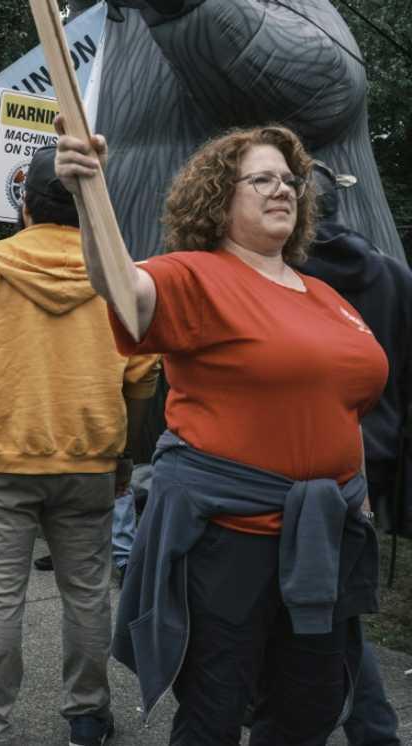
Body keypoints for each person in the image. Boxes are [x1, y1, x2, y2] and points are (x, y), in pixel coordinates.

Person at [55, 124, 386, 743]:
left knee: (309, 708)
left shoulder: (323, 295)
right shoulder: (193, 275)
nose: (282, 189)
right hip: (227, 541)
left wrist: (358, 490)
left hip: (321, 538)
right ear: (218, 196)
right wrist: (88, 192)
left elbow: (346, 402)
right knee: (214, 710)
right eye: (261, 179)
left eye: (290, 180)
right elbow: (122, 290)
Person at [0, 147, 160, 746]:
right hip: (90, 459)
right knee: (87, 595)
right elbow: (144, 375)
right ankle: (88, 717)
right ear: (88, 209)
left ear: (24, 207)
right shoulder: (119, 274)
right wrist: (123, 451)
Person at [297, 163, 406, 746]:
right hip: (378, 448)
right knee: (335, 598)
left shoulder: (286, 276)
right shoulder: (391, 274)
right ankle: (370, 725)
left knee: (320, 602)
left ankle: (364, 724)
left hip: (312, 455)